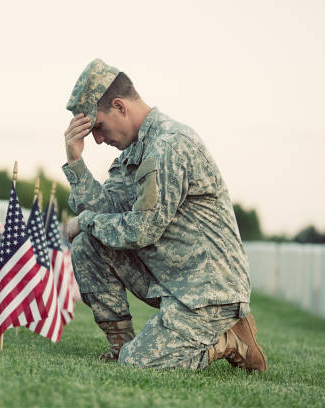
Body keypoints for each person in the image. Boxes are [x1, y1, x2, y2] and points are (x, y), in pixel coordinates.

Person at [61, 59, 267, 371]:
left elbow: (140, 230)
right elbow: (105, 212)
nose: (99, 141)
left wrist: (83, 221)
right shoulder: (133, 152)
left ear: (119, 106)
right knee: (88, 244)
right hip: (173, 277)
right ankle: (120, 345)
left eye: (98, 128)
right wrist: (75, 161)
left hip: (208, 290)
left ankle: (230, 338)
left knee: (139, 363)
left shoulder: (169, 145)